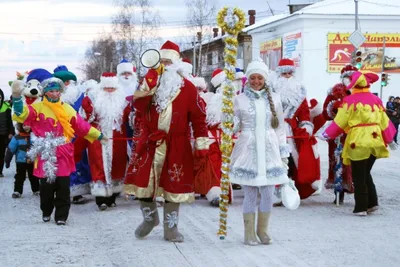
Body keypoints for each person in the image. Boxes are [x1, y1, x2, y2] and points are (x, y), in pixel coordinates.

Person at [124, 40, 209, 242]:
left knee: (174, 186)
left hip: (176, 145)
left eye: (168, 62)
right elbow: (137, 106)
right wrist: (150, 83)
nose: (165, 65)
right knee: (142, 184)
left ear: (177, 64)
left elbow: (199, 118)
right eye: (161, 61)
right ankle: (150, 218)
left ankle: (171, 228)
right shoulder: (149, 84)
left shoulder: (188, 88)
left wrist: (202, 144)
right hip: (149, 142)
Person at [10, 68, 106, 225]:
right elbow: (21, 114)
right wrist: (16, 97)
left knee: (63, 186)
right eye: (51, 91)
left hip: (63, 152)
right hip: (44, 152)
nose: (55, 94)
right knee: (46, 187)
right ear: (45, 93)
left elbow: (82, 126)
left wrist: (98, 135)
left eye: (57, 91)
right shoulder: (37, 108)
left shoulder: (67, 109)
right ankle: (46, 210)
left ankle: (61, 216)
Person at [229, 60, 290, 245]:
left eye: (260, 78)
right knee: (250, 194)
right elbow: (232, 127)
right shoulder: (239, 99)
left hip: (270, 150)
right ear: (248, 79)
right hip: (248, 150)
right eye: (253, 78)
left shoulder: (276, 99)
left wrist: (283, 155)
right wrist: (228, 120)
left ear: (265, 79)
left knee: (268, 193)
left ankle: (262, 230)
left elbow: (280, 129)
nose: (256, 81)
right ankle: (249, 233)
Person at [321, 70, 397, 216]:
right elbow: (385, 122)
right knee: (365, 172)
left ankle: (361, 207)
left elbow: (339, 122)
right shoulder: (376, 100)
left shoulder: (349, 101)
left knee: (358, 174)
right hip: (375, 140)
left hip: (358, 140)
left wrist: (326, 134)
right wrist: (390, 139)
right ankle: (372, 203)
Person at [271, 58, 321, 200]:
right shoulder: (271, 89)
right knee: (274, 158)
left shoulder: (299, 92)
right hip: (273, 128)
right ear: (279, 75)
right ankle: (275, 190)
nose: (287, 77)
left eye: (289, 74)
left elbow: (304, 112)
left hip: (291, 130)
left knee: (293, 160)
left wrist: (305, 125)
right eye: (284, 74)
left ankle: (290, 189)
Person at [81, 72, 131, 211]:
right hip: (99, 135)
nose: (109, 91)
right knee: (99, 164)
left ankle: (112, 197)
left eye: (112, 88)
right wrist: (88, 107)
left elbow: (128, 117)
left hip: (118, 137)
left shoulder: (123, 101)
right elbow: (86, 116)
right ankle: (101, 199)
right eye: (106, 88)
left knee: (117, 164)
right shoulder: (93, 99)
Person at [55, 65, 90, 205]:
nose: (66, 85)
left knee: (77, 161)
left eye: (67, 82)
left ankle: (76, 192)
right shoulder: (52, 96)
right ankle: (60, 191)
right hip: (57, 135)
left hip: (76, 134)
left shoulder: (79, 95)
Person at [322, 81, 353, 204]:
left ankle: (351, 187)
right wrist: (333, 109)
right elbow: (326, 112)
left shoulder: (354, 94)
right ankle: (338, 191)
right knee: (335, 161)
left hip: (350, 133)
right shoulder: (332, 94)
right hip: (336, 134)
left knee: (350, 162)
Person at [5, 123, 39, 198]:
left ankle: (36, 189)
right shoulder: (17, 137)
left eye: (28, 125)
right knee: (20, 176)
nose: (26, 127)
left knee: (34, 176)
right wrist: (7, 160)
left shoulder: (34, 137)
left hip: (32, 160)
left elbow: (39, 147)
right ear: (20, 126)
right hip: (20, 161)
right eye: (24, 125)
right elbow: (11, 149)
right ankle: (17, 191)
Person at [0, 88, 15, 177]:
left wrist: (11, 132)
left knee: (1, 154)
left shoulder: (7, 107)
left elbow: (10, 121)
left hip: (3, 134)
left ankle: (0, 171)